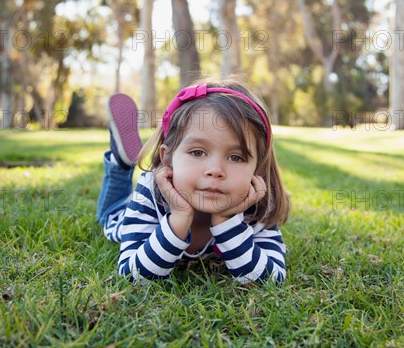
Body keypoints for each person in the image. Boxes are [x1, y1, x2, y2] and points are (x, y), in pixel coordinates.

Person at [96, 81, 290, 284]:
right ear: (168, 157)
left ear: (257, 168)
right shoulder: (150, 190)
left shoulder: (259, 205)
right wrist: (178, 218)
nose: (215, 170)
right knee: (110, 213)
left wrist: (226, 220)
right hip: (128, 212)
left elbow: (271, 280)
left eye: (236, 157)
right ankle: (121, 165)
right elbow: (133, 276)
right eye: (197, 152)